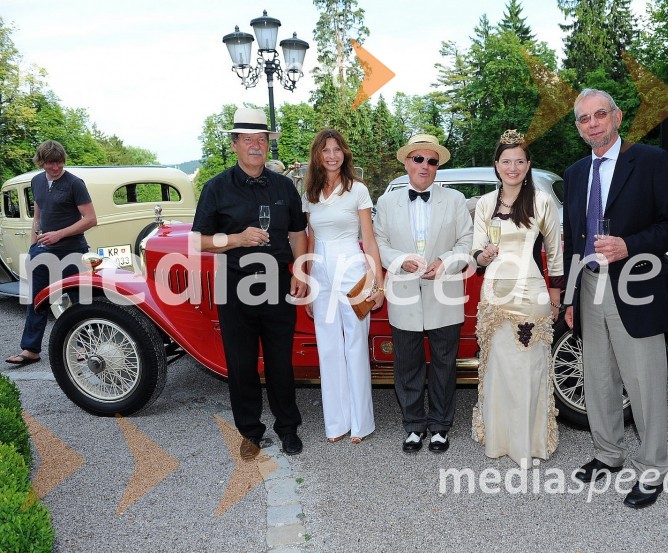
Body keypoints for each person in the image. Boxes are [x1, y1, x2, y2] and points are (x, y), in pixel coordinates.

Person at [562, 89, 668, 508]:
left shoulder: (651, 161)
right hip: (589, 286)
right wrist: (569, 297)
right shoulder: (575, 173)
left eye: (600, 114)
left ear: (616, 117)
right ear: (578, 128)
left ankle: (652, 470)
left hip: (636, 286)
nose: (593, 123)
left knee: (644, 383)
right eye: (584, 119)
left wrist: (628, 245)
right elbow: (572, 241)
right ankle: (607, 453)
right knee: (598, 379)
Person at [191, 107, 308, 461]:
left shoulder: (284, 186)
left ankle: (288, 428)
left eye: (261, 139)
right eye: (247, 139)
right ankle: (250, 433)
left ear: (268, 145)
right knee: (241, 364)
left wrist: (300, 271)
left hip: (277, 283)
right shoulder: (216, 188)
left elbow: (298, 233)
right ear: (234, 144)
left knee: (280, 362)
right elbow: (198, 241)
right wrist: (237, 239)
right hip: (235, 285)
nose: (256, 145)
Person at [374, 134, 473, 454]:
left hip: (444, 294)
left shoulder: (455, 199)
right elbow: (379, 243)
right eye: (418, 159)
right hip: (403, 293)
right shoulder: (386, 202)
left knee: (444, 364)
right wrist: (400, 261)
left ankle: (441, 426)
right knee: (408, 364)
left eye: (432, 161)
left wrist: (445, 262)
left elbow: (466, 242)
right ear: (406, 163)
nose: (425, 166)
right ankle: (414, 426)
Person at [470, 129, 564, 467]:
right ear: (496, 165)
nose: (513, 167)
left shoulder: (541, 201)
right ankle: (501, 441)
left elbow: (555, 253)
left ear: (528, 165)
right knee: (499, 366)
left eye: (519, 161)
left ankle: (529, 443)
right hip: (495, 294)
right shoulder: (484, 203)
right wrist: (483, 255)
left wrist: (555, 296)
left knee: (528, 368)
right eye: (507, 161)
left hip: (530, 292)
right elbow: (476, 252)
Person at [302, 129, 382, 444]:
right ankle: (336, 424)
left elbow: (369, 240)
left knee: (356, 346)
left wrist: (377, 284)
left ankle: (362, 424)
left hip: (352, 272)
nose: (332, 155)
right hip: (321, 275)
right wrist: (310, 285)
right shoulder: (309, 193)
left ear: (344, 153)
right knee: (329, 348)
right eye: (326, 150)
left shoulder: (357, 189)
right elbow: (310, 241)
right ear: (318, 155)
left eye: (337, 149)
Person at [6, 141, 97, 366]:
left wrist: (59, 234)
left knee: (79, 301)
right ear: (41, 162)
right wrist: (33, 246)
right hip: (42, 252)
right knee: (36, 300)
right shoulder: (36, 181)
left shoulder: (75, 183)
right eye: (50, 163)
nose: (55, 167)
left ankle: (86, 346)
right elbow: (38, 215)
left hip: (72, 250)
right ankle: (30, 350)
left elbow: (90, 219)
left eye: (59, 162)